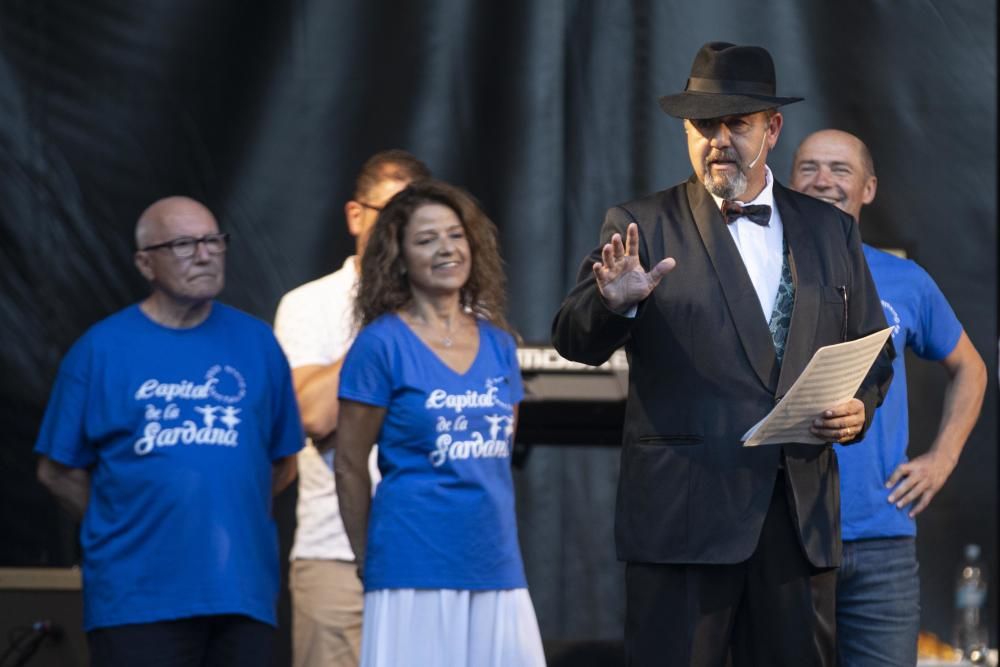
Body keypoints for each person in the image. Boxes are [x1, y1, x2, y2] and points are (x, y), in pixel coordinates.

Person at [551, 42, 894, 666]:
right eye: (704, 125)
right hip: (684, 521)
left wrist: (859, 409)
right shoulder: (640, 224)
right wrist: (614, 303)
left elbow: (872, 352)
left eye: (737, 123)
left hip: (799, 523)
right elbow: (574, 341)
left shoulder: (830, 229)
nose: (719, 139)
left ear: (772, 128)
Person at [34, 196, 303, 667]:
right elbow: (57, 471)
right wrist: (122, 522)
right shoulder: (100, 350)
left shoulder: (258, 343)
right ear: (145, 263)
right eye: (183, 244)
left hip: (241, 595)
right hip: (136, 599)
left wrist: (226, 512)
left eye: (214, 240)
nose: (205, 254)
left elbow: (282, 461)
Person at [791, 129, 987, 667]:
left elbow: (971, 368)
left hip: (882, 540)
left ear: (869, 188)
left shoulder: (905, 280)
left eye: (840, 169)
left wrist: (941, 460)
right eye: (809, 167)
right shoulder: (762, 274)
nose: (823, 180)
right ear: (788, 182)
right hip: (786, 539)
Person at [333, 179, 545, 667]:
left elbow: (500, 451)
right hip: (411, 564)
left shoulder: (498, 344)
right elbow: (347, 465)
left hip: (495, 563)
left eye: (455, 235)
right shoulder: (380, 345)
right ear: (399, 258)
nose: (446, 248)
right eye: (426, 240)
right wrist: (368, 558)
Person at [273, 150, 431, 667]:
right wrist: (385, 316)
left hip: (431, 549)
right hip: (335, 553)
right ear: (355, 216)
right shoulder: (309, 304)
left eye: (415, 214)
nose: (400, 229)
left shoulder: (454, 308)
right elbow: (311, 417)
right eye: (389, 212)